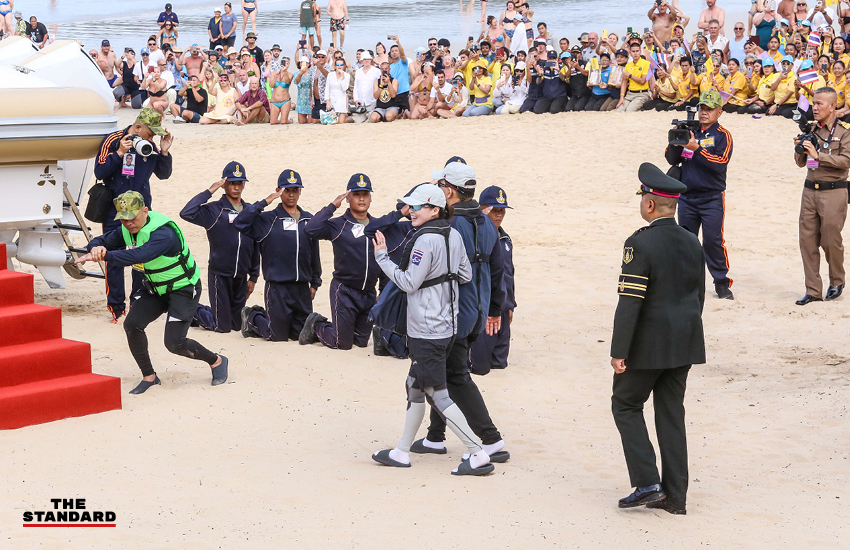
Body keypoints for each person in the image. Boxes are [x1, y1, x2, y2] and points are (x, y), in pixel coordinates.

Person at [370, 184, 493, 476]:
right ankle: (401, 451)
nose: (411, 211)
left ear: (434, 209)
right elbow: (465, 274)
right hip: (448, 327)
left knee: (437, 394)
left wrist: (382, 258)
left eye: (417, 207)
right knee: (414, 385)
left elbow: (409, 282)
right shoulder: (453, 234)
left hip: (427, 331)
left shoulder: (425, 240)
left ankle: (476, 453)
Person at [610, 162, 705, 516]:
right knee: (670, 415)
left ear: (649, 205)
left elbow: (630, 300)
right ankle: (675, 497)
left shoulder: (640, 242)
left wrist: (620, 350)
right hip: (685, 341)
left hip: (648, 345)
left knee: (625, 404)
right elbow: (698, 297)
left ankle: (648, 482)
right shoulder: (691, 240)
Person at [77, 192, 228, 395]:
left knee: (174, 343)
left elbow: (140, 254)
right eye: (123, 217)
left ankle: (217, 361)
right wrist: (96, 248)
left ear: (145, 210)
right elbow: (100, 240)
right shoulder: (125, 229)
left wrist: (106, 255)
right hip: (156, 288)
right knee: (132, 325)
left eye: (133, 216)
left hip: (182, 289)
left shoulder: (163, 232)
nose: (128, 222)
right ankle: (149, 376)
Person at [411, 161, 510, 464]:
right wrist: (494, 309)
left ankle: (491, 440)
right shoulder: (488, 224)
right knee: (441, 374)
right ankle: (435, 436)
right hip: (478, 312)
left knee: (453, 376)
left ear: (450, 190)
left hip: (454, 314)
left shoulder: (450, 226)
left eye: (440, 186)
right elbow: (498, 272)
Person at [299, 174, 401, 350]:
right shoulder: (339, 225)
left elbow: (386, 258)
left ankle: (341, 327)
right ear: (348, 197)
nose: (361, 198)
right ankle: (316, 325)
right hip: (344, 291)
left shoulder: (378, 224)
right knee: (343, 344)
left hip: (368, 294)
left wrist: (382, 291)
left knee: (361, 343)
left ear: (370, 197)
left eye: (366, 194)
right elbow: (310, 229)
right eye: (356, 194)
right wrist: (332, 206)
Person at [94, 109, 173, 322]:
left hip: (141, 210)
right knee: (114, 257)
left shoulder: (150, 146)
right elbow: (99, 172)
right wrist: (119, 153)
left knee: (142, 255)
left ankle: (137, 301)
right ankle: (116, 307)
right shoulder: (113, 140)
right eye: (150, 134)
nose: (152, 139)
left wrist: (164, 153)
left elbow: (163, 175)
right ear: (138, 127)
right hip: (115, 210)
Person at [236, 170, 322, 341]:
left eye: (295, 190)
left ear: (300, 191)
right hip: (277, 289)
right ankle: (252, 316)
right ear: (279, 190)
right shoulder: (268, 220)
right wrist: (266, 201)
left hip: (302, 289)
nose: (291, 194)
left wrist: (315, 283)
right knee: (277, 337)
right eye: (286, 190)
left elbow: (314, 254)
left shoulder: (308, 220)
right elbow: (240, 222)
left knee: (302, 337)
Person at [665, 90, 734, 300]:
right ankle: (686, 283)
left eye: (710, 109)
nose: (704, 113)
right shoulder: (688, 130)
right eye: (702, 108)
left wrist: (695, 148)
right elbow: (670, 159)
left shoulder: (723, 135)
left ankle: (721, 283)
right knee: (686, 242)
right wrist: (678, 139)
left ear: (719, 112)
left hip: (712, 197)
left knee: (713, 241)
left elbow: (720, 163)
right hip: (686, 196)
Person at [179, 162, 260, 333]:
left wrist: (253, 277)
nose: (236, 187)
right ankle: (192, 310)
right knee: (221, 327)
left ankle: (213, 312)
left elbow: (256, 245)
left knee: (237, 326)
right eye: (232, 183)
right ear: (225, 184)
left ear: (244, 184)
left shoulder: (250, 210)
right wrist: (210, 190)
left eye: (239, 183)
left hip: (241, 275)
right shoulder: (214, 210)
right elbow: (187, 212)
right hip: (220, 275)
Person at [793, 87, 850, 305]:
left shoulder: (845, 131)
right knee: (807, 241)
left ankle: (836, 280)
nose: (814, 108)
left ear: (833, 106)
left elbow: (846, 161)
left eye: (819, 104)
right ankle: (813, 290)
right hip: (809, 190)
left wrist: (820, 155)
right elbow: (800, 163)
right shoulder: (812, 129)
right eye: (813, 103)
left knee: (830, 240)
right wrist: (800, 148)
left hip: (834, 191)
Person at [470, 186, 515, 374]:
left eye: (502, 211)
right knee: (480, 365)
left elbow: (509, 274)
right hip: (485, 309)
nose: (499, 215)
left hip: (503, 307)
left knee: (500, 362)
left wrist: (511, 305)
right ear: (483, 209)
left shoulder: (505, 238)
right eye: (495, 210)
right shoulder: (477, 238)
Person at [617, 42, 652, 111]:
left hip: (642, 94)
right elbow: (624, 83)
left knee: (629, 111)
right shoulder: (628, 65)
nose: (635, 53)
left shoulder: (646, 63)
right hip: (629, 94)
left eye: (637, 51)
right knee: (619, 111)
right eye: (633, 51)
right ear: (630, 53)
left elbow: (642, 81)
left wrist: (630, 75)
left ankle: (641, 107)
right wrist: (621, 98)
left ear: (640, 52)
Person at [353, 51, 381, 116]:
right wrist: (356, 99)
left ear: (371, 60)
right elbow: (356, 87)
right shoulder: (358, 72)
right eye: (365, 59)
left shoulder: (377, 71)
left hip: (373, 102)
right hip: (361, 103)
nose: (367, 61)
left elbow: (380, 85)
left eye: (368, 59)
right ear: (362, 60)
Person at [325, 57, 352, 123]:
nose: (339, 67)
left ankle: (350, 119)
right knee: (332, 121)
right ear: (335, 66)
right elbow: (327, 89)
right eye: (337, 65)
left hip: (341, 99)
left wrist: (343, 76)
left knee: (340, 122)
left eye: (341, 65)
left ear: (344, 65)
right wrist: (327, 102)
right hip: (332, 98)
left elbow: (344, 88)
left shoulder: (347, 76)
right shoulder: (330, 75)